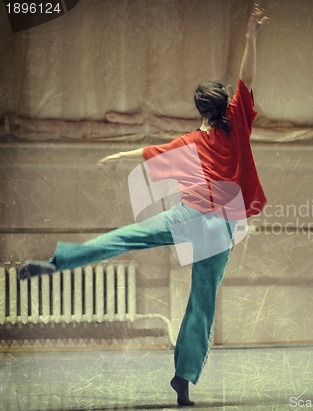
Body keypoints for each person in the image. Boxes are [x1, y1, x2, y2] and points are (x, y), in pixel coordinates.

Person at [18, 4, 269, 407]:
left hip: (187, 217)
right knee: (202, 301)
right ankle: (183, 380)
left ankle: (58, 262)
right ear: (224, 104)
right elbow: (248, 76)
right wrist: (251, 34)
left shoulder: (190, 142)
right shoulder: (237, 122)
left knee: (125, 238)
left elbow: (146, 151)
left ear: (200, 110)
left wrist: (115, 157)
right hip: (220, 227)